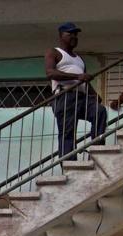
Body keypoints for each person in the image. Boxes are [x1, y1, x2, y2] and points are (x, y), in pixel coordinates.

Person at [45, 22, 107, 161]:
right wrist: (77, 76)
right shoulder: (54, 52)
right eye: (70, 33)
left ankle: (97, 152)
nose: (74, 37)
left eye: (76, 34)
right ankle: (68, 164)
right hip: (65, 96)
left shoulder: (79, 59)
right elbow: (50, 73)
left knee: (100, 111)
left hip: (82, 97)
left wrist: (94, 94)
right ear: (61, 36)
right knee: (68, 132)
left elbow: (84, 79)